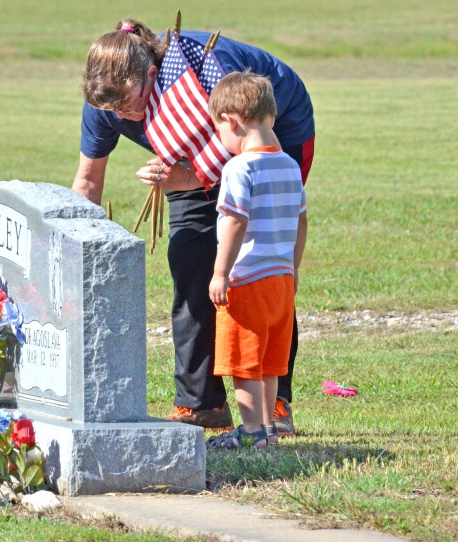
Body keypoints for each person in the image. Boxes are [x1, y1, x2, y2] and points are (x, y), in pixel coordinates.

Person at [72, 18, 314, 433]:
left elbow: (239, 143)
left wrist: (189, 178)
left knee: (261, 265)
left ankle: (275, 406)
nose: (125, 116)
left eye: (130, 104)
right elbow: (88, 181)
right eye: (114, 111)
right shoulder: (106, 102)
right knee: (190, 261)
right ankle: (201, 403)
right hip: (183, 156)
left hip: (268, 137)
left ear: (152, 73)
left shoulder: (206, 68)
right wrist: (75, 248)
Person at [204, 72, 307, 449]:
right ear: (271, 118)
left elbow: (234, 220)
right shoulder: (290, 166)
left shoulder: (238, 168)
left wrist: (220, 272)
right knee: (269, 362)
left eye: (219, 131)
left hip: (247, 279)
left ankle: (250, 432)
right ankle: (267, 430)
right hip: (281, 279)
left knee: (244, 361)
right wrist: (292, 268)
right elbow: (301, 220)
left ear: (232, 122)